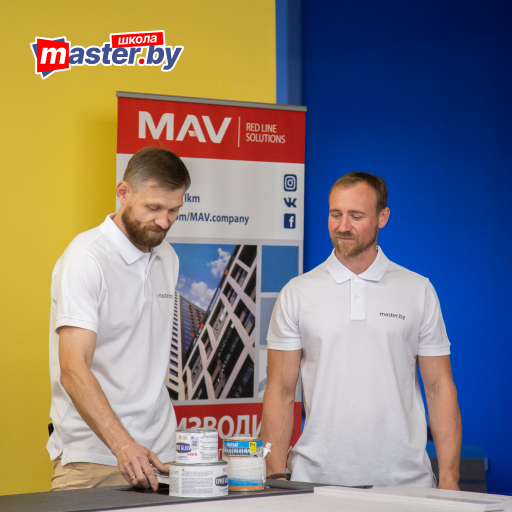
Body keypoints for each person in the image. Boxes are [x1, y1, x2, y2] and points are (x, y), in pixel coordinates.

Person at [261, 172, 462, 489]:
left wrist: (449, 480)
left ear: (383, 217)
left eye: (356, 216)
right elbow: (281, 391)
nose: (343, 226)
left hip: (407, 484)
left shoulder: (417, 290)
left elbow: (439, 388)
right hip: (316, 483)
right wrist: (274, 476)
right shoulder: (297, 293)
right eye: (335, 214)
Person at [48, 147, 190, 491]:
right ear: (123, 192)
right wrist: (123, 445)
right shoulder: (86, 259)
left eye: (174, 210)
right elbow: (73, 369)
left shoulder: (168, 257)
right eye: (153, 208)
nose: (164, 222)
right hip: (93, 456)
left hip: (161, 454)